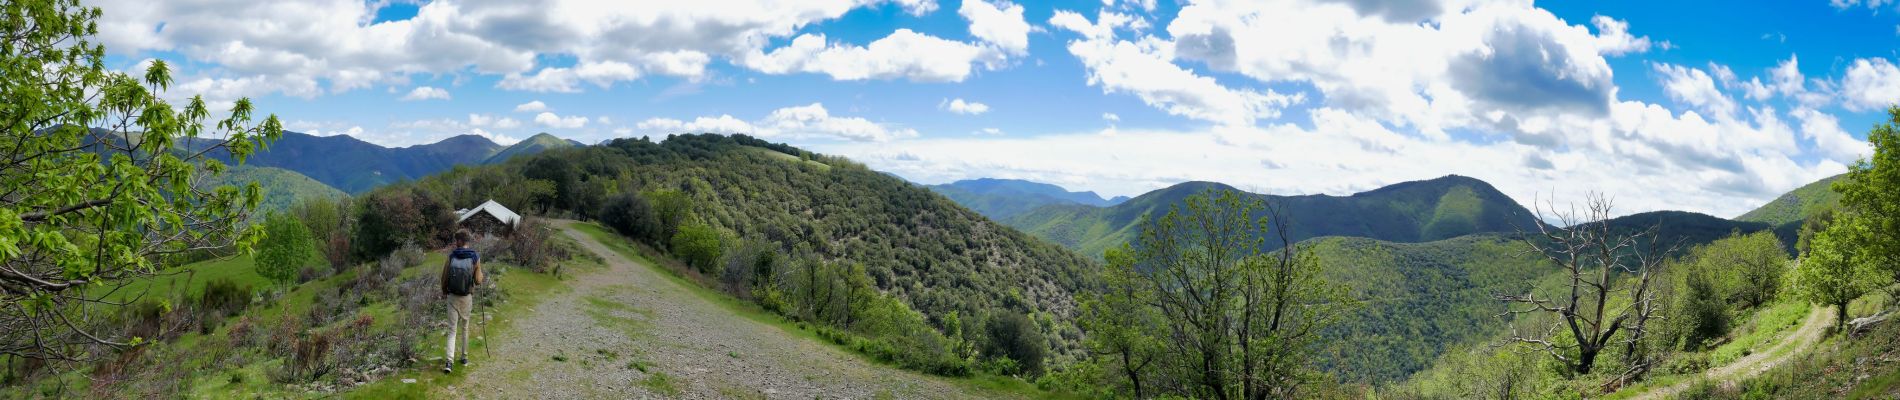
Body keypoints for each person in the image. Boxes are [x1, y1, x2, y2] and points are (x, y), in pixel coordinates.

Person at [441, 229, 485, 373]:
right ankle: (464, 358)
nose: (455, 243)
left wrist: (444, 290)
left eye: (456, 240)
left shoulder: (452, 256)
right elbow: (478, 281)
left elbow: (444, 276)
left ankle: (449, 362)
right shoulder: (475, 257)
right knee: (465, 328)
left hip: (452, 296)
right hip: (467, 297)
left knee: (452, 330)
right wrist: (481, 275)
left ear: (460, 241)